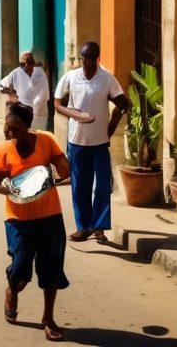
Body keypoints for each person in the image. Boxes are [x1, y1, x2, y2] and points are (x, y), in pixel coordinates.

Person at [0, 102, 70, 342]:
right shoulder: (4, 149)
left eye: (14, 128)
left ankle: (48, 318)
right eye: (7, 127)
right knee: (20, 270)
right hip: (18, 219)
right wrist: (10, 190)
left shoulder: (46, 140)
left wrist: (49, 177)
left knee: (51, 270)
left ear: (27, 127)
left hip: (50, 217)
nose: (9, 133)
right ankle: (12, 290)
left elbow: (64, 170)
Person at [55, 41, 128, 244]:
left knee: (104, 185)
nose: (86, 61)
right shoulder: (71, 77)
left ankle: (99, 226)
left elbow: (123, 103)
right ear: (80, 59)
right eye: (84, 57)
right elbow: (57, 103)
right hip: (76, 140)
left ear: (98, 58)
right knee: (80, 186)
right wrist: (73, 114)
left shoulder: (106, 79)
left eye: (91, 57)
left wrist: (112, 124)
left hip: (99, 142)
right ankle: (83, 226)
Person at [0, 52, 52, 133]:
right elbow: (2, 85)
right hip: (22, 114)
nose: (32, 65)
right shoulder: (16, 73)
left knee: (38, 137)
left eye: (32, 62)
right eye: (29, 62)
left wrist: (32, 111)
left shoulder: (40, 73)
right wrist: (11, 93)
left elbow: (42, 96)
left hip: (39, 115)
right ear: (23, 64)